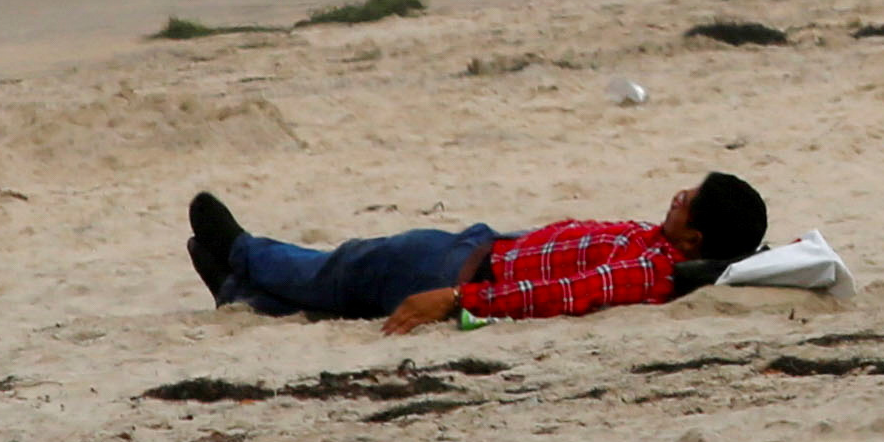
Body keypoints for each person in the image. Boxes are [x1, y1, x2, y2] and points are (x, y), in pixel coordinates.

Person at [182, 175, 769, 336]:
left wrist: (456, 299)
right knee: (343, 300)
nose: (678, 195)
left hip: (457, 270)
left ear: (694, 239)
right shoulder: (659, 246)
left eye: (689, 200)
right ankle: (240, 296)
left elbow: (558, 297)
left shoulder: (649, 268)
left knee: (339, 271)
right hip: (482, 248)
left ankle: (242, 251)